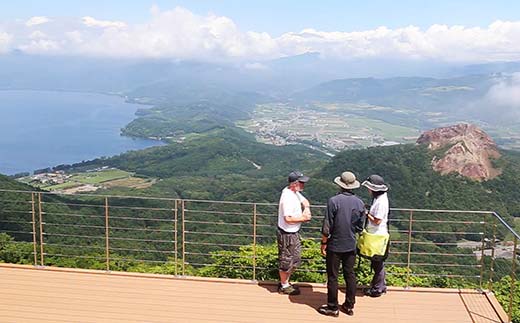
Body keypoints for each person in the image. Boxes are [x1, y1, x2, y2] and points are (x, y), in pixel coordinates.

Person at [318, 171, 365, 317]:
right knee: (349, 275)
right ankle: (349, 305)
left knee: (333, 276)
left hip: (335, 244)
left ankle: (333, 307)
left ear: (340, 184)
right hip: (351, 244)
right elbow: (360, 227)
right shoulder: (360, 203)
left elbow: (327, 226)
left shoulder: (333, 201)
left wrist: (324, 243)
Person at [277, 170, 312, 295]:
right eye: (301, 182)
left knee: (295, 259)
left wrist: (306, 209)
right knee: (286, 260)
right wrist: (304, 218)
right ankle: (284, 285)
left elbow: (305, 202)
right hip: (287, 233)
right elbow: (288, 219)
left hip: (293, 232)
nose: (303, 185)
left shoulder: (294, 192)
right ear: (294, 183)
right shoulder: (287, 197)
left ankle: (285, 281)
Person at [361, 174, 390, 297]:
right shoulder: (380, 198)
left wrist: (366, 213)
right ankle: (379, 285)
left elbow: (377, 220)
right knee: (376, 262)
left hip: (377, 235)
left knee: (377, 262)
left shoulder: (381, 202)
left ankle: (377, 289)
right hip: (376, 234)